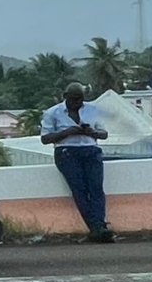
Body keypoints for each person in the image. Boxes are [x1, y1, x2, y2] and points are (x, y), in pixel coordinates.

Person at [40, 83, 113, 243]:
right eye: (73, 99)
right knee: (79, 190)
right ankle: (97, 227)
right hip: (67, 152)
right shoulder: (53, 113)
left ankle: (98, 227)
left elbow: (104, 134)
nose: (77, 102)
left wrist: (92, 133)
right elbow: (45, 138)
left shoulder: (92, 110)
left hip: (90, 150)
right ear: (65, 97)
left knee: (96, 189)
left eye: (80, 99)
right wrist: (67, 133)